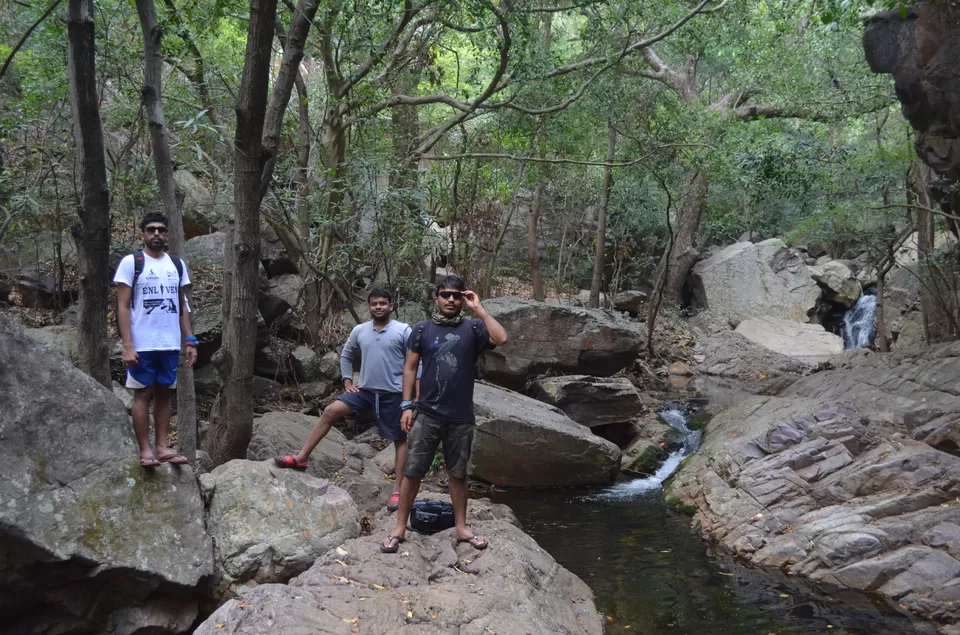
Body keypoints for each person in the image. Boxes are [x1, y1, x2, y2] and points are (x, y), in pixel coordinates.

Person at [381, 275, 508, 554]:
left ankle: (461, 528)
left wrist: (480, 309)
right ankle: (399, 528)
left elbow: (501, 338)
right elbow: (410, 368)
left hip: (461, 414)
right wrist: (406, 405)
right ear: (436, 298)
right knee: (413, 471)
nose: (451, 299)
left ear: (463, 298)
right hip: (426, 412)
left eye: (456, 295)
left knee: (458, 473)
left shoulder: (473, 328)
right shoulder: (423, 329)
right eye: (445, 294)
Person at [275, 288, 412, 512]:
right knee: (330, 411)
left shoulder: (403, 330)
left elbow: (415, 362)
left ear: (391, 306)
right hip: (365, 391)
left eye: (383, 303)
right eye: (374, 303)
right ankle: (302, 457)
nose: (378, 307)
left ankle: (398, 488)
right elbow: (347, 354)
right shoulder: (360, 330)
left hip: (394, 393)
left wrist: (412, 397)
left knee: (399, 438)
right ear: (369, 307)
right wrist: (347, 381)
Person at [114, 213, 197, 468]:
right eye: (151, 230)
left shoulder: (176, 264)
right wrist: (128, 345)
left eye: (161, 230)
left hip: (169, 343)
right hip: (143, 343)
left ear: (168, 234)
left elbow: (182, 306)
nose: (157, 234)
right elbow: (123, 306)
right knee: (142, 394)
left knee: (164, 394)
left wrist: (190, 340)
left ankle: (162, 447)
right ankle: (145, 450)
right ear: (143, 234)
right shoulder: (132, 262)